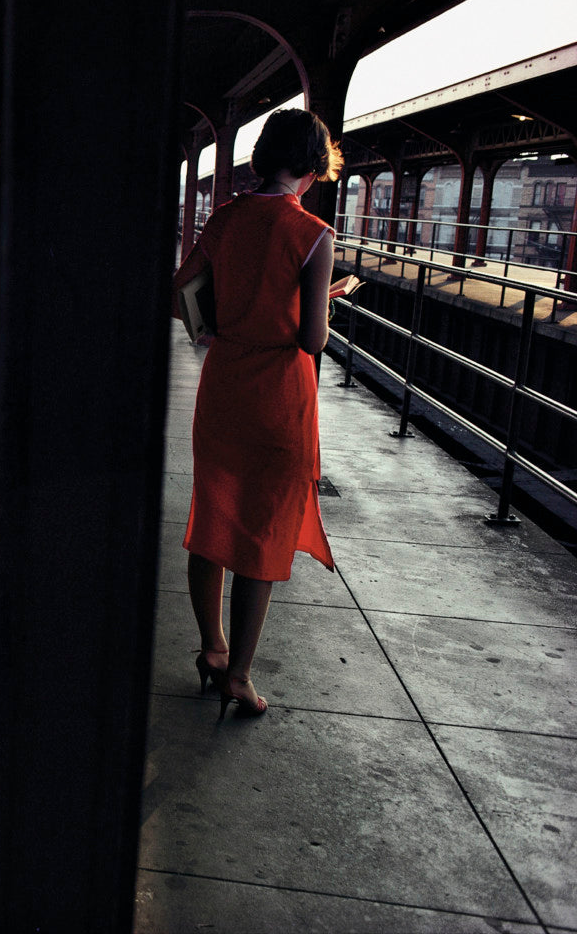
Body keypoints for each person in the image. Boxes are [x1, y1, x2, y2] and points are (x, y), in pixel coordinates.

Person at [170, 108, 342, 719]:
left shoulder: (224, 218)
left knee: (213, 515)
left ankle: (212, 648)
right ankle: (239, 675)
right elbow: (312, 339)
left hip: (223, 387)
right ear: (313, 165)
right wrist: (325, 296)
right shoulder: (314, 235)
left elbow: (178, 295)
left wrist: (216, 324)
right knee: (262, 531)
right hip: (278, 395)